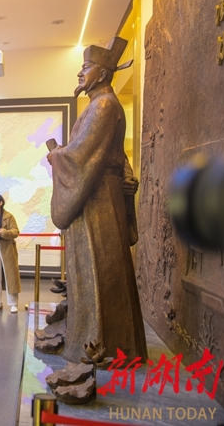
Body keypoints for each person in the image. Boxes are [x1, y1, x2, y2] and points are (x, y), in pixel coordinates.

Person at [47, 36, 147, 362]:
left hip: (97, 199)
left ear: (102, 74)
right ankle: (93, 340)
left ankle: (102, 345)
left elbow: (82, 156)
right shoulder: (99, 106)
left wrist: (58, 156)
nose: (80, 73)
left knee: (99, 269)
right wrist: (64, 154)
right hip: (95, 196)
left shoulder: (104, 106)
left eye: (86, 67)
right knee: (93, 270)